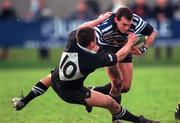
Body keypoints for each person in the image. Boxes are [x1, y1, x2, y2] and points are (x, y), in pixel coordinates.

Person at [12, 13, 159, 123]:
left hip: (58, 79)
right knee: (111, 103)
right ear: (90, 44)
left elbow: (82, 27)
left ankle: (23, 101)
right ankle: (141, 121)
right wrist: (130, 42)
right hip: (72, 93)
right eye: (96, 41)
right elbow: (118, 57)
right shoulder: (92, 59)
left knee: (51, 77)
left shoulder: (72, 39)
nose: (98, 43)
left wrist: (100, 19)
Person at [88, 7, 157, 111]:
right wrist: (97, 54)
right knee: (117, 83)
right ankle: (116, 117)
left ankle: (92, 91)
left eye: (129, 25)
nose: (126, 28)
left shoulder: (137, 22)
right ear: (116, 19)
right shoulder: (105, 26)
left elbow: (152, 33)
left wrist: (142, 49)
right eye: (124, 24)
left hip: (124, 46)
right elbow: (90, 40)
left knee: (125, 87)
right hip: (106, 48)